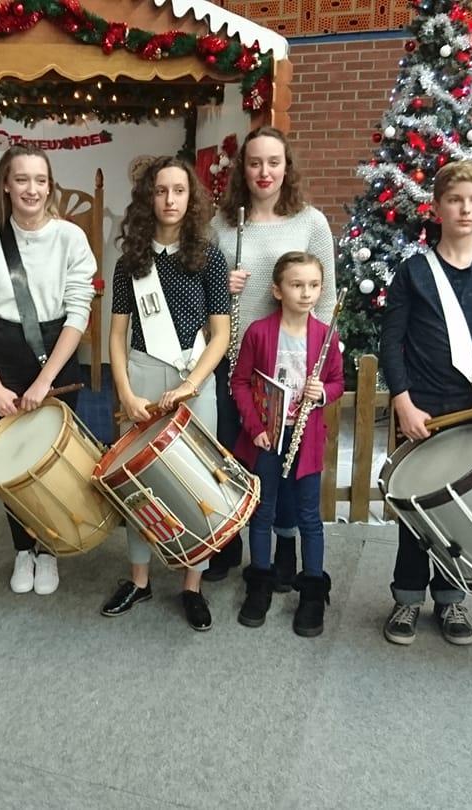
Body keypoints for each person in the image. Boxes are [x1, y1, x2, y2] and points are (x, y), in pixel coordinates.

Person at [379, 160, 472, 647]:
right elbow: (390, 341)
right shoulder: (415, 271)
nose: (465, 209)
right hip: (422, 408)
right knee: (418, 507)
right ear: (436, 207)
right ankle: (407, 597)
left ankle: (451, 596)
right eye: (455, 200)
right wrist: (403, 402)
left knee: (462, 508)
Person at [99, 157, 230, 631]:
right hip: (144, 377)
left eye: (179, 191)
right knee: (140, 480)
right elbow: (116, 336)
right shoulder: (131, 258)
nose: (170, 200)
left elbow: (220, 332)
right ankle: (139, 578)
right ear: (148, 198)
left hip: (194, 378)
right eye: (161, 191)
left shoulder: (208, 255)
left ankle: (192, 585)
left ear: (191, 198)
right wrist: (126, 394)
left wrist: (194, 384)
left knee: (198, 481)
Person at [0, 144, 94, 595]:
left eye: (40, 180)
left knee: (50, 458)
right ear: (6, 185)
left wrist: (45, 382)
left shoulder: (70, 238)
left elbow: (78, 315)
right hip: (0, 354)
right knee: (12, 461)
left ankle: (49, 550)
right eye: (22, 179)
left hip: (55, 353)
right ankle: (22, 549)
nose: (32, 189)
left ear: (49, 185)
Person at [207, 125, 336, 587]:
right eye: (255, 162)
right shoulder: (223, 224)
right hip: (233, 361)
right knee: (226, 452)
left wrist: (313, 366)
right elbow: (201, 296)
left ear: (287, 167)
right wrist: (220, 289)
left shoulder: (310, 222)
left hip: (286, 367)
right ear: (243, 168)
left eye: (274, 162)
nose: (265, 172)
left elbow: (324, 301)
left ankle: (282, 548)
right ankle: (227, 541)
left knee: (283, 458)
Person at [230, 252, 344, 636]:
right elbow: (241, 382)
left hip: (305, 439)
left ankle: (312, 590)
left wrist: (322, 392)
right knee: (263, 512)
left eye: (313, 285)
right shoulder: (260, 332)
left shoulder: (327, 336)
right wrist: (254, 425)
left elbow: (338, 382)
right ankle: (260, 581)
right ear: (278, 290)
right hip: (267, 437)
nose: (306, 293)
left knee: (309, 516)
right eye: (297, 285)